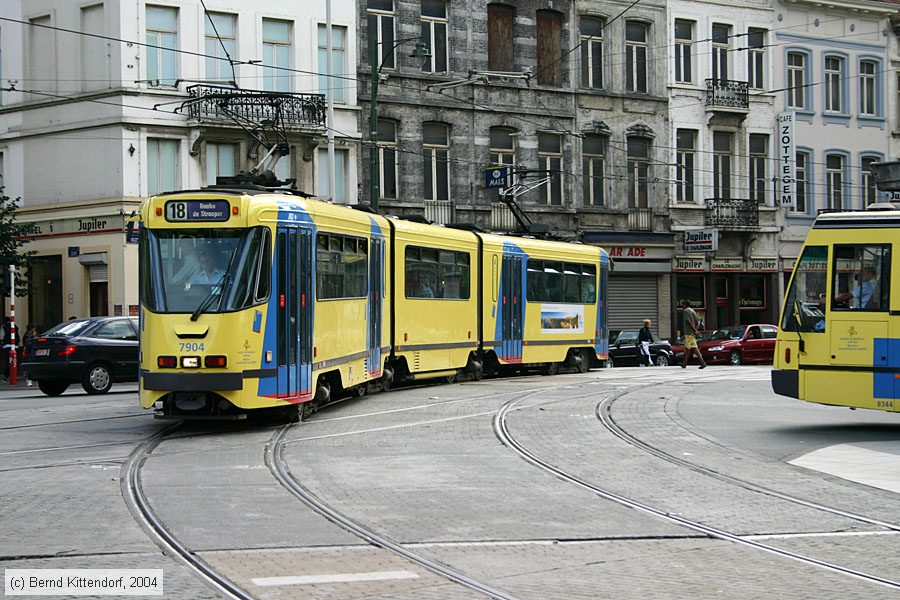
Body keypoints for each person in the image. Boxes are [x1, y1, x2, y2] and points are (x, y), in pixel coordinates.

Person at [680, 300, 707, 369]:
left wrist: (694, 330)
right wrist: (696, 330)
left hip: (688, 333)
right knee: (687, 349)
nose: (682, 306)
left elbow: (687, 321)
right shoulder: (692, 311)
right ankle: (684, 364)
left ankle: (703, 362)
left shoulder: (686, 311)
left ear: (685, 305)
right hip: (691, 333)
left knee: (694, 348)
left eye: (683, 305)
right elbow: (698, 322)